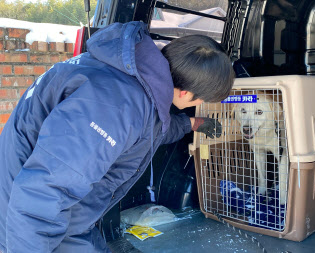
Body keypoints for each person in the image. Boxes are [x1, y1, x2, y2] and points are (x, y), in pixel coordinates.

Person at [0, 21, 234, 252]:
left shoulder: (138, 84)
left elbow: (147, 132)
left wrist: (191, 123)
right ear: (186, 92)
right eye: (203, 99)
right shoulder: (115, 106)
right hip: (31, 223)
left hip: (65, 214)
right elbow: (43, 193)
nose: (202, 104)